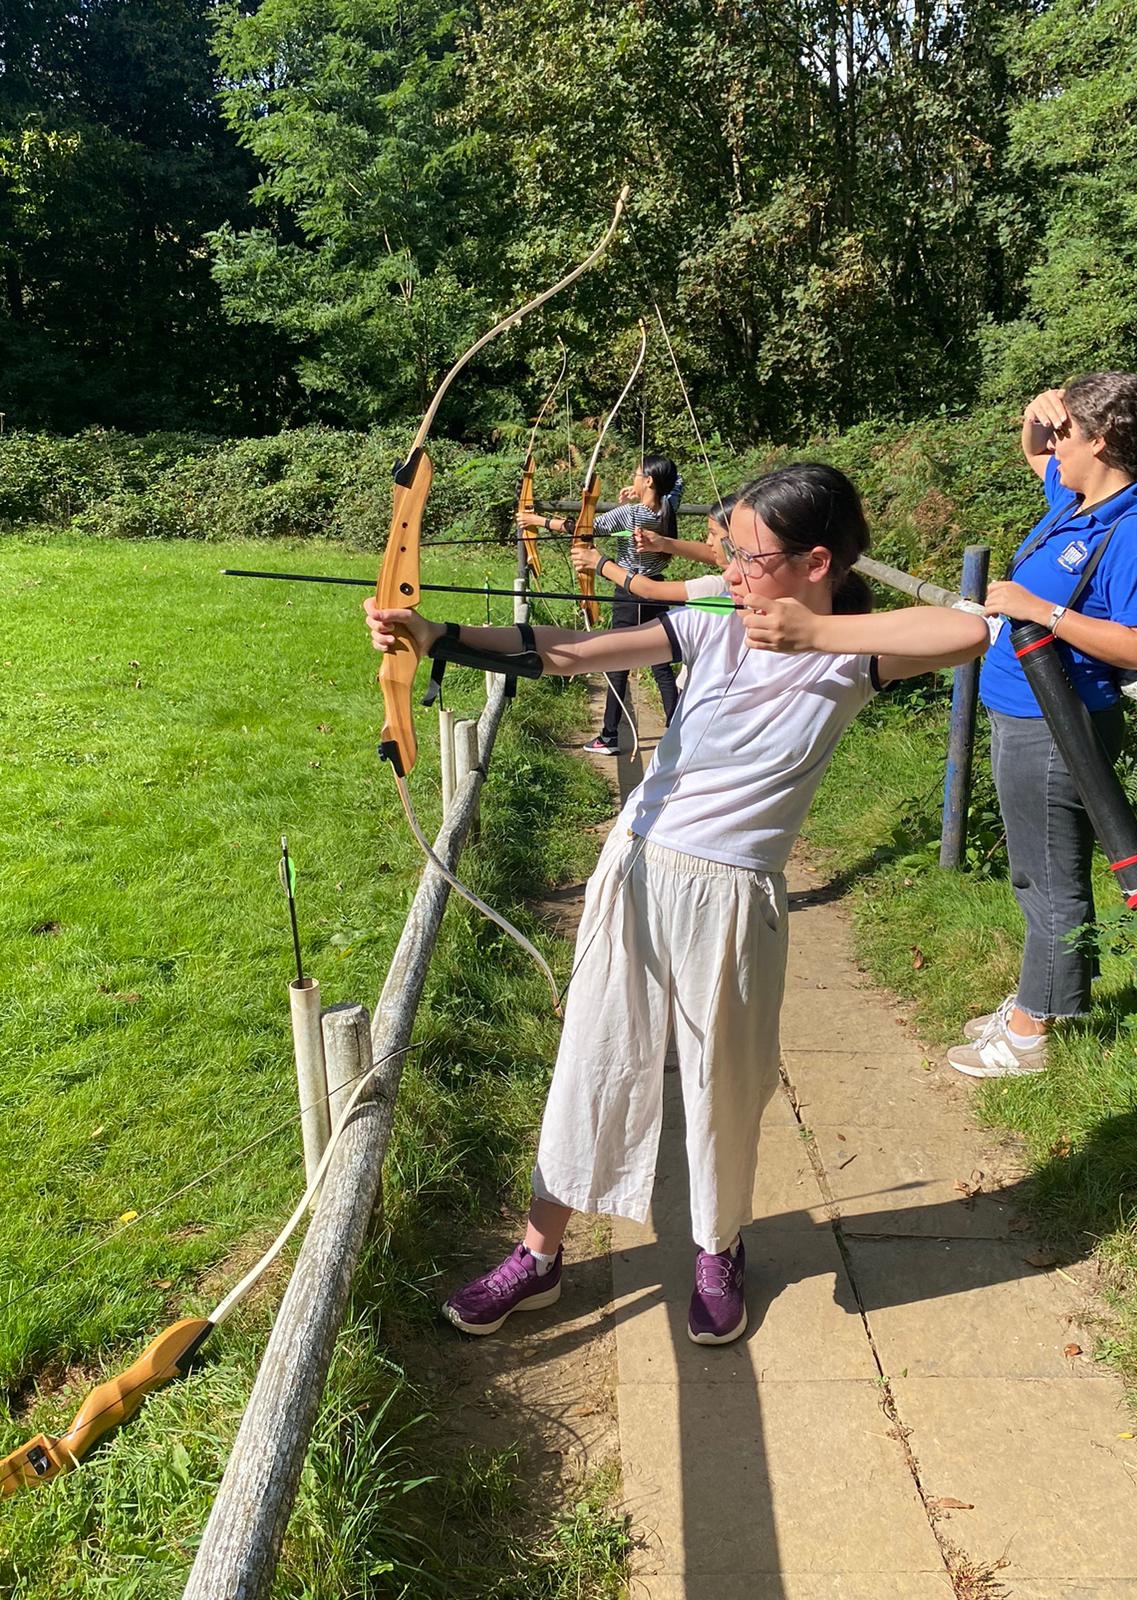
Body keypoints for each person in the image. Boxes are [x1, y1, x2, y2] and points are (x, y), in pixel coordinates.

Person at [366, 462, 988, 1345]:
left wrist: (815, 633)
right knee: (595, 1057)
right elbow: (569, 651)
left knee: (721, 1082)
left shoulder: (856, 651)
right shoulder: (715, 619)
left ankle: (718, 1247)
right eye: (726, 552)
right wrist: (438, 636)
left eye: (747, 556)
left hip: (733, 895)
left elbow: (967, 629)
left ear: (816, 562)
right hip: (639, 867)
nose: (727, 572)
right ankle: (539, 1255)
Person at [946, 372, 1137, 1079]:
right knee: (1034, 869)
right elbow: (1032, 452)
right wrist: (1035, 410)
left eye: (1065, 433)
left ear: (1100, 441)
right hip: (1022, 713)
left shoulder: (1131, 529)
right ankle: (1039, 996)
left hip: (1059, 727)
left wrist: (1038, 609)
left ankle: (1031, 1034)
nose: (1052, 446)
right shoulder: (1077, 503)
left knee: (1049, 878)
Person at [520, 454, 684, 753]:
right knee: (661, 663)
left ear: (649, 480)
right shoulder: (667, 507)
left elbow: (583, 527)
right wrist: (642, 489)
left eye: (637, 475)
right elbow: (677, 480)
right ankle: (678, 730)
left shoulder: (631, 514)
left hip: (629, 592)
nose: (633, 478)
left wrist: (537, 520)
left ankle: (609, 737)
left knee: (617, 661)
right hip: (657, 589)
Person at [571, 492, 737, 607]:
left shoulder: (722, 585)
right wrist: (662, 543)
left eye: (713, 533)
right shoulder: (740, 572)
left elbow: (651, 590)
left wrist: (599, 563)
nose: (708, 541)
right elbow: (716, 555)